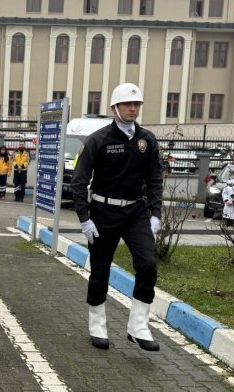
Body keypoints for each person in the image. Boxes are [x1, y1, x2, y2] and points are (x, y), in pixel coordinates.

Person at [71, 82, 163, 352]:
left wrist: (155, 213)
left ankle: (138, 326)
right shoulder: (98, 140)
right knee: (100, 271)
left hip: (136, 212)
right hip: (103, 212)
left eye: (137, 104)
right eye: (127, 104)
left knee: (147, 265)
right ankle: (97, 325)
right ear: (114, 108)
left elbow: (155, 177)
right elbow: (79, 181)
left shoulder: (147, 140)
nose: (133, 108)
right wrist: (84, 218)